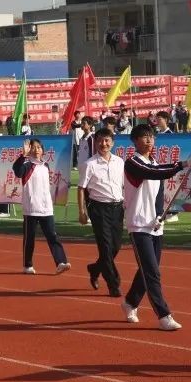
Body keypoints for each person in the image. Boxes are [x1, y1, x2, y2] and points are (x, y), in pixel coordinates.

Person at [119, 124, 191, 331]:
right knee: (152, 272)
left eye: (151, 137)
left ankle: (130, 302)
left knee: (148, 269)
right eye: (144, 137)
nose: (148, 140)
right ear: (135, 141)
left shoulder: (154, 161)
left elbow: (158, 190)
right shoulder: (133, 163)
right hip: (138, 224)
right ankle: (164, 315)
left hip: (154, 224)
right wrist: (183, 164)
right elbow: (154, 173)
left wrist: (159, 216)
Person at [12, 138, 70, 275]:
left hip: (46, 208)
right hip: (31, 208)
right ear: (29, 150)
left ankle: (60, 262)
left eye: (39, 147)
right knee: (29, 238)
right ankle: (27, 265)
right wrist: (23, 155)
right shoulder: (26, 165)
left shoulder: (45, 165)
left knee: (52, 235)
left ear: (43, 150)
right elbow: (18, 172)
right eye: (34, 147)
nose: (36, 150)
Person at [77, 127, 123, 296]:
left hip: (118, 208)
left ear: (112, 142)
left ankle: (95, 268)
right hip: (99, 209)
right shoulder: (89, 165)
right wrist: (82, 211)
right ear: (95, 142)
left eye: (107, 141)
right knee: (105, 247)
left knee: (115, 247)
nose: (104, 144)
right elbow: (81, 188)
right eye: (100, 141)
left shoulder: (120, 162)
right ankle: (114, 284)